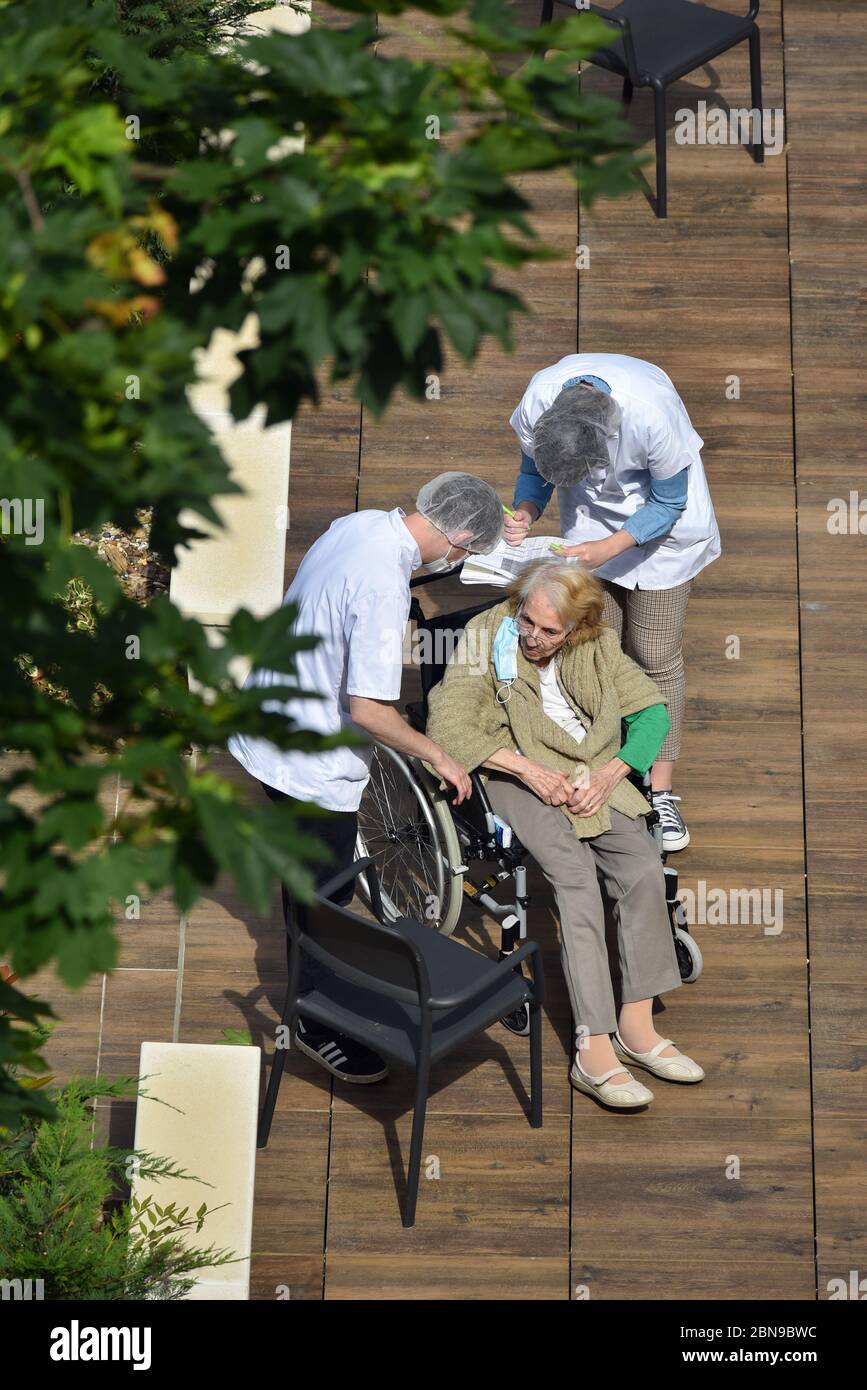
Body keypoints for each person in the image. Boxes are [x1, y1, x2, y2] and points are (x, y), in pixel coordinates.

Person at [229, 473, 504, 1084]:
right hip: (308, 763)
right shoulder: (383, 588)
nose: (462, 563)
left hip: (269, 710)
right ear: (458, 536)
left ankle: (320, 984)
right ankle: (310, 1013)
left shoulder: (361, 525)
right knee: (318, 894)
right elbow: (370, 711)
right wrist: (439, 755)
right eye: (467, 553)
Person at [426, 559, 705, 1109]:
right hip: (511, 769)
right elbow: (449, 723)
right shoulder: (491, 635)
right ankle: (593, 1046)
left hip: (591, 771)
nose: (532, 637)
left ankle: (636, 1026)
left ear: (577, 628)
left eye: (549, 631)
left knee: (644, 868)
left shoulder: (596, 644)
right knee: (575, 879)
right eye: (528, 621)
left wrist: (611, 773)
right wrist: (529, 770)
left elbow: (651, 711)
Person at [504, 353, 721, 851]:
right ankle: (615, 766)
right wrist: (526, 508)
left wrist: (610, 547)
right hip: (589, 531)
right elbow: (532, 470)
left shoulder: (651, 413)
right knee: (604, 650)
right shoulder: (539, 399)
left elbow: (669, 501)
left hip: (665, 537)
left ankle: (660, 790)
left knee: (655, 655)